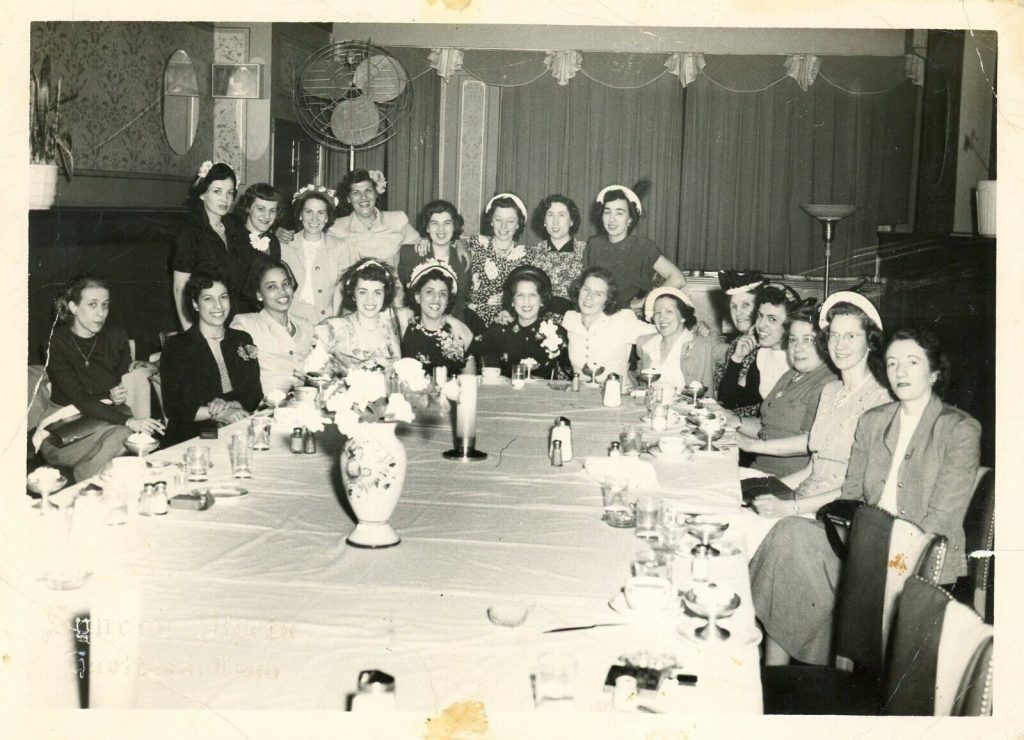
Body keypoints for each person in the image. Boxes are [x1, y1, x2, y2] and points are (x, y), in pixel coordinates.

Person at [750, 328, 981, 666]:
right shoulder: (873, 421)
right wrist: (852, 540)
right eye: (892, 363)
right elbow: (851, 495)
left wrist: (881, 560)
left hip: (918, 559)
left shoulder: (958, 429)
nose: (900, 372)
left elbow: (941, 520)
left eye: (912, 362)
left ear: (934, 373)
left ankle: (818, 664)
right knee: (788, 534)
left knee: (797, 551)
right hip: (864, 543)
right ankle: (775, 674)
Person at [748, 291, 892, 518]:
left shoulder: (882, 402)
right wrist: (766, 489)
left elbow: (859, 489)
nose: (839, 345)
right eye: (834, 335)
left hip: (835, 513)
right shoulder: (830, 391)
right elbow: (812, 469)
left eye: (851, 336)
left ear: (870, 341)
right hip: (803, 498)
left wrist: (789, 508)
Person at [35, 275, 164, 481]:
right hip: (63, 431)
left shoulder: (116, 336)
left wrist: (123, 388)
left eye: (105, 305)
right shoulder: (55, 343)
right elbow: (79, 398)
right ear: (74, 307)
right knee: (127, 436)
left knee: (127, 439)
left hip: (107, 423)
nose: (101, 313)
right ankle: (88, 482)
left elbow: (121, 387)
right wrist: (130, 421)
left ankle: (90, 484)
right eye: (92, 304)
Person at [724, 306, 836, 477]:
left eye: (808, 340)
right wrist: (734, 421)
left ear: (825, 343)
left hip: (787, 478)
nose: (798, 348)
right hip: (759, 469)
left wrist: (749, 444)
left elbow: (810, 442)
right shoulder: (791, 374)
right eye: (793, 340)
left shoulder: (828, 382)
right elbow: (767, 428)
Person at [161, 272, 263, 444]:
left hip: (237, 424)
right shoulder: (177, 346)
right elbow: (175, 408)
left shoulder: (242, 339)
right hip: (193, 435)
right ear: (195, 304)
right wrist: (219, 412)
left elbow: (254, 394)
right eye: (208, 299)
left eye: (223, 297)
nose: (218, 305)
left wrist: (232, 407)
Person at [172, 161, 262, 328]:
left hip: (239, 317)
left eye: (229, 193)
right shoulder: (190, 235)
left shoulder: (234, 226)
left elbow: (259, 233)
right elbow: (180, 289)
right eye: (217, 192)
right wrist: (192, 335)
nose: (225, 199)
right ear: (202, 194)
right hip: (208, 319)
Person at [582, 183, 686, 311]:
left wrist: (646, 301)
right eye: (607, 212)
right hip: (598, 315)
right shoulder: (594, 244)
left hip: (630, 318)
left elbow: (678, 279)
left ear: (630, 219)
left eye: (619, 213)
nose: (611, 219)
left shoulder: (643, 247)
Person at [305, 258, 407, 376]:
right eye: (363, 292)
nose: (370, 300)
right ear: (353, 295)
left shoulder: (396, 320)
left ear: (385, 294)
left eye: (377, 292)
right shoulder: (331, 329)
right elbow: (312, 372)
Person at [230, 258, 315, 395]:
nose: (282, 291)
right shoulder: (245, 325)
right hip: (263, 410)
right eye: (272, 286)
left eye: (286, 283)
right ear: (258, 294)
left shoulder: (305, 326)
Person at [470, 265, 571, 380]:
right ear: (512, 301)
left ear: (541, 300)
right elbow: (474, 352)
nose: (526, 301)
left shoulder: (555, 332)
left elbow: (572, 370)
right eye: (520, 295)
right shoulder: (499, 331)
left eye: (532, 295)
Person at [717, 284, 804, 417]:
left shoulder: (799, 360)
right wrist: (737, 358)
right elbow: (728, 401)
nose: (761, 325)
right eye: (760, 315)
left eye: (772, 319)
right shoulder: (763, 355)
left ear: (790, 323)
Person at [562, 266, 657, 383]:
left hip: (615, 395)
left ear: (607, 300)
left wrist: (641, 366)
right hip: (579, 394)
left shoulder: (622, 320)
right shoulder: (571, 319)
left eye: (598, 294)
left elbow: (661, 332)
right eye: (586, 289)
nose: (589, 297)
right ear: (579, 290)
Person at [280, 185, 350, 325]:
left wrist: (334, 322)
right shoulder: (285, 245)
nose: (314, 219)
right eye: (308, 212)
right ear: (300, 215)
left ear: (327, 217)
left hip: (325, 319)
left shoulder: (340, 247)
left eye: (321, 212)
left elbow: (341, 289)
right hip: (290, 318)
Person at [637, 287, 725, 392]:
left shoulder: (703, 344)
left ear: (683, 316)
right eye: (657, 312)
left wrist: (713, 334)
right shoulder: (646, 345)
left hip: (692, 407)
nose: (661, 317)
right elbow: (640, 383)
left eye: (668, 311)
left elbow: (732, 352)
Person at [464, 193, 530, 332]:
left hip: (509, 321)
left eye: (510, 221)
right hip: (473, 319)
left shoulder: (528, 255)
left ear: (518, 224)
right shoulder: (476, 243)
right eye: (498, 219)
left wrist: (512, 314)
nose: (503, 226)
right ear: (491, 221)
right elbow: (447, 243)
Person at [399, 200, 472, 321]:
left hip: (451, 324)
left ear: (454, 227)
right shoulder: (409, 254)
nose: (441, 229)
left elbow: (459, 304)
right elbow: (402, 294)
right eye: (434, 223)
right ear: (427, 228)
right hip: (414, 322)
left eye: (447, 223)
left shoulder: (462, 261)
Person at [400, 260, 474, 377]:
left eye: (443, 294)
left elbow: (470, 381)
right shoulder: (404, 329)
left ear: (448, 301)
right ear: (417, 297)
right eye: (429, 292)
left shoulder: (458, 333)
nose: (436, 298)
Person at [713, 270, 764, 416]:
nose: (738, 313)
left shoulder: (769, 346)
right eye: (733, 307)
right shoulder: (736, 345)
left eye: (745, 305)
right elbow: (723, 398)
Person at [525, 194, 587, 315]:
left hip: (574, 320)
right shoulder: (532, 253)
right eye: (550, 215)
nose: (555, 221)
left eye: (561, 215)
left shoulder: (586, 251)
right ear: (544, 221)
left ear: (571, 221)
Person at [231, 182, 284, 261]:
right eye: (261, 209)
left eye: (272, 210)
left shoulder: (273, 241)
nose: (267, 216)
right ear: (247, 207)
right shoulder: (233, 239)